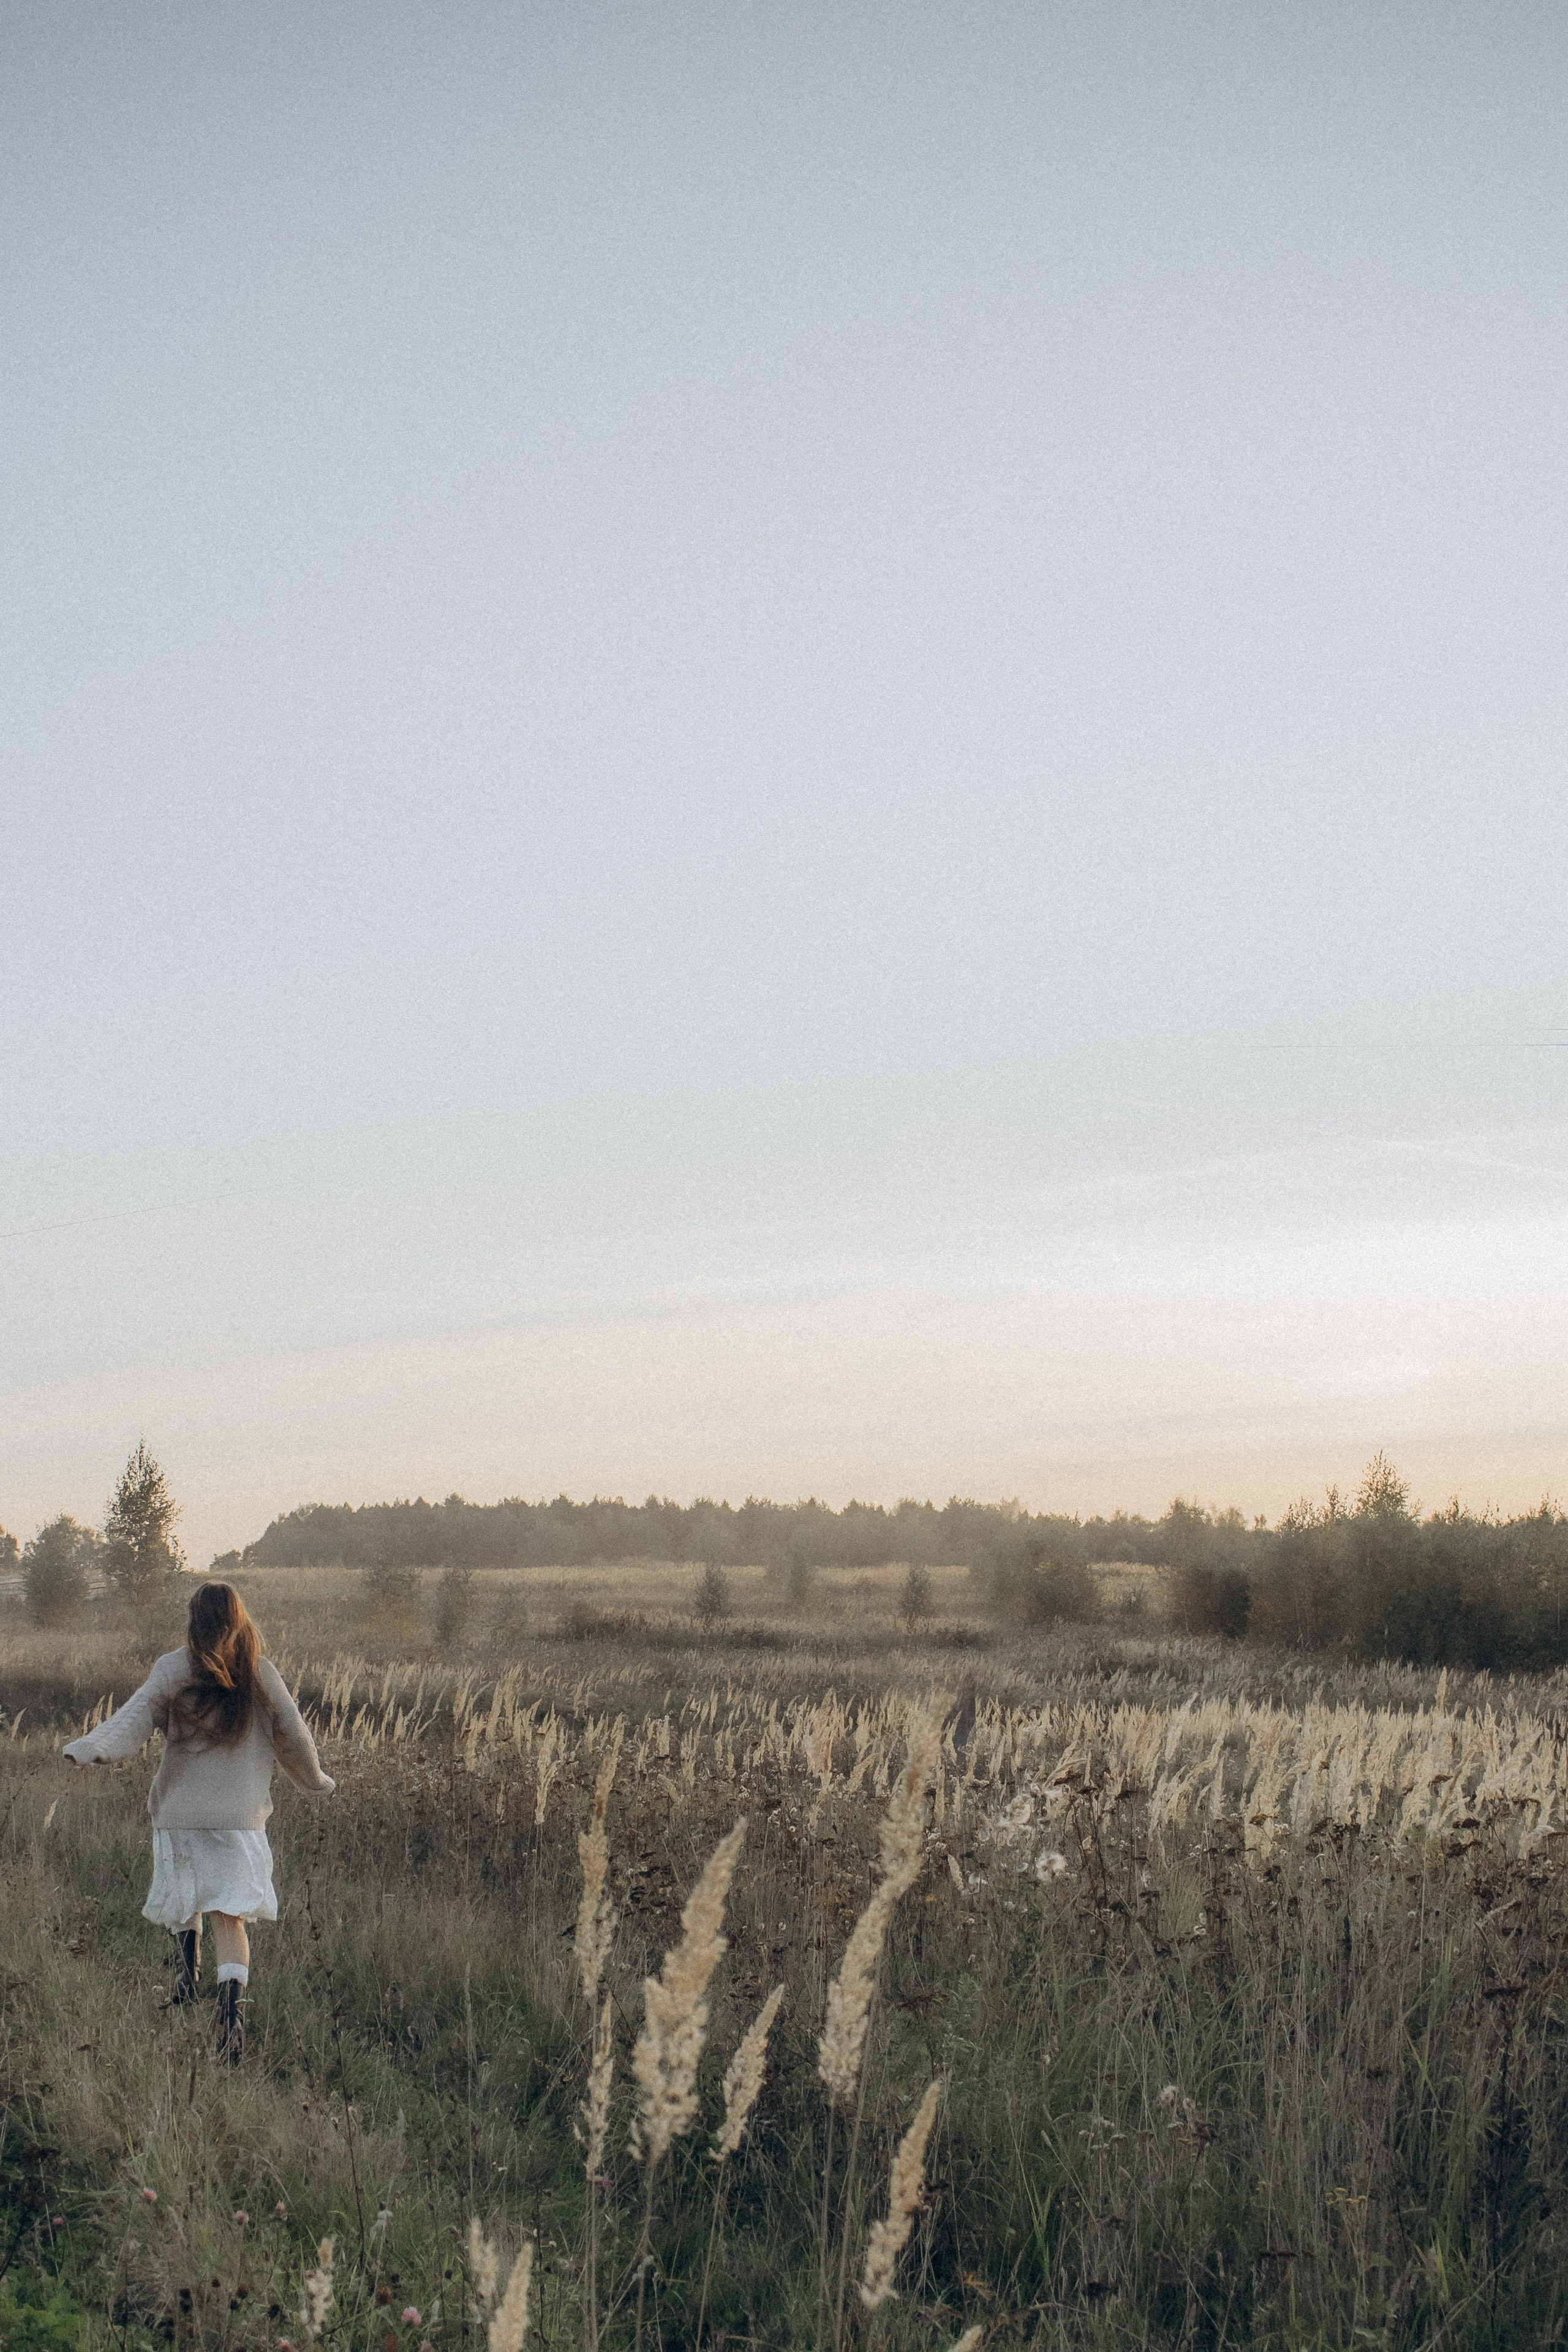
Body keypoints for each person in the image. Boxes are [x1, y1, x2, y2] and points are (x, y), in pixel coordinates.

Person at [62, 1581, 335, 2060]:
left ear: (194, 1621)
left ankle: (185, 1982)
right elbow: (295, 1736)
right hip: (240, 1821)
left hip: (182, 1816)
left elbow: (131, 1719)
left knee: (186, 1894)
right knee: (230, 1922)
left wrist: (91, 1749)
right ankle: (231, 2024)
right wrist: (314, 1780)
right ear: (239, 1620)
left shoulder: (174, 1669)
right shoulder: (260, 1675)